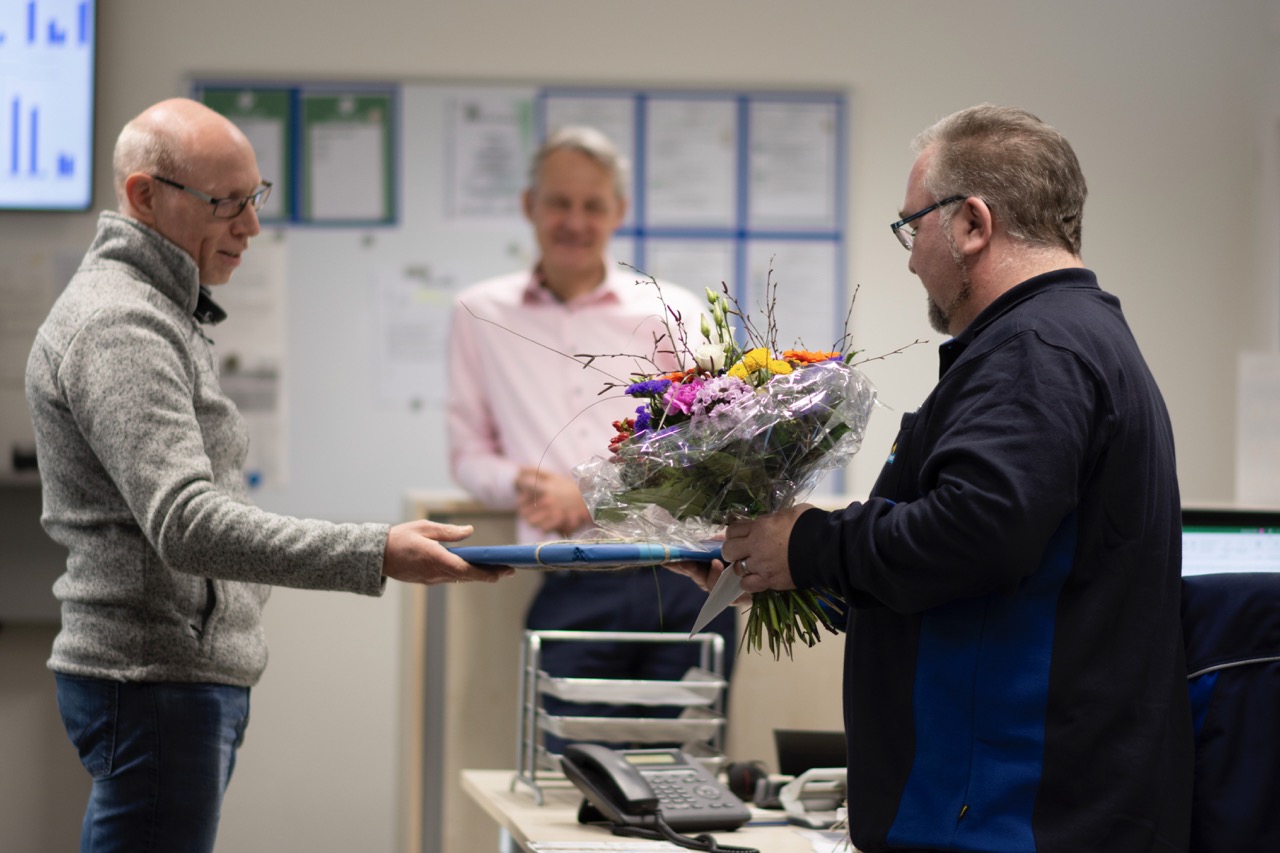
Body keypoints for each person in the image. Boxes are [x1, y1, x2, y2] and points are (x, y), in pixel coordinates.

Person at [684, 105, 1194, 852]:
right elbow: (982, 584)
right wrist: (782, 568)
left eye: (911, 225)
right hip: (1037, 802)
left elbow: (974, 532)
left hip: (1012, 813)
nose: (911, 256)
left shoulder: (1036, 350)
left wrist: (813, 543)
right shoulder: (1072, 338)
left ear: (972, 224)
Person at [24, 98, 512, 853]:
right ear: (143, 196)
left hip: (173, 674)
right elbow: (185, 522)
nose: (250, 226)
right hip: (153, 676)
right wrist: (375, 550)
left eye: (254, 199)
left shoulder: (159, 308)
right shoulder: (121, 323)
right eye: (226, 203)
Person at [446, 126, 737, 729]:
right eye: (559, 202)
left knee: (680, 775)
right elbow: (469, 454)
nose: (574, 221)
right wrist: (532, 487)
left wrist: (589, 492)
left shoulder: (671, 309)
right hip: (573, 580)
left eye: (592, 205)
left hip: (684, 576)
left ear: (618, 212)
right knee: (571, 780)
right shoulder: (479, 313)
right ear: (530, 205)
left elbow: (709, 451)